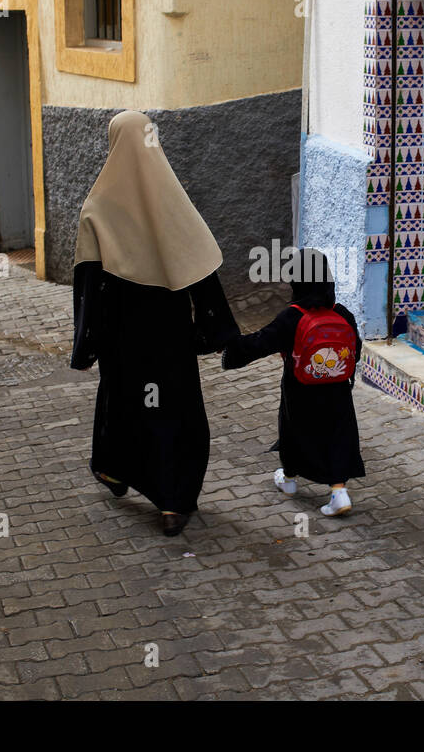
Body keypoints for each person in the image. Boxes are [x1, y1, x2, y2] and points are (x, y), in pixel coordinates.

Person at [69, 110, 238, 537]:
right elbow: (201, 269)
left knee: (128, 408)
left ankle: (116, 471)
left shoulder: (97, 208)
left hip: (123, 339)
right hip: (170, 338)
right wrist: (216, 330)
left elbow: (88, 285)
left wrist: (86, 345)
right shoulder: (172, 200)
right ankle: (173, 503)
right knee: (173, 411)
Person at [221, 248, 365, 516]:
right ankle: (339, 491)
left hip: (300, 389)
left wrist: (230, 347)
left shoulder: (293, 316)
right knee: (338, 434)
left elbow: (260, 343)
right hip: (337, 391)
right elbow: (355, 349)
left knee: (294, 429)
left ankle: (288, 481)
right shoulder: (343, 314)